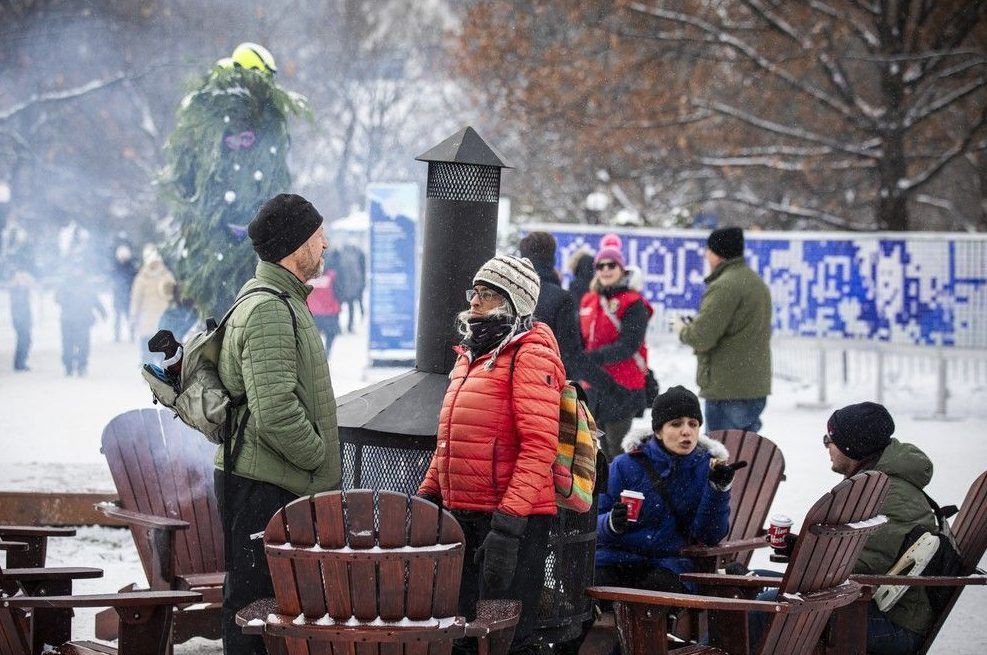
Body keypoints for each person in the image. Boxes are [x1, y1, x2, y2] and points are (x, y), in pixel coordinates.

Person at [417, 254, 564, 655]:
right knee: (463, 636)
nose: (475, 302)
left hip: (511, 522)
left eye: (488, 294)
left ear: (514, 302)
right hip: (464, 514)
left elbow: (539, 446)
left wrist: (508, 527)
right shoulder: (470, 355)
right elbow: (449, 441)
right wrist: (427, 496)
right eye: (475, 292)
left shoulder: (530, 354)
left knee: (507, 639)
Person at [216, 193, 342, 655]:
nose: (325, 244)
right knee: (255, 609)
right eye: (318, 235)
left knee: (266, 607)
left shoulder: (284, 300)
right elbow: (275, 411)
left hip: (271, 482)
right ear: (295, 245)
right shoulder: (270, 308)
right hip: (264, 486)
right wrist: (317, 456)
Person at [753, 402, 935, 655]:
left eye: (830, 439)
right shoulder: (878, 484)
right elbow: (858, 555)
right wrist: (801, 547)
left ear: (852, 447)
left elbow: (865, 565)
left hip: (890, 621)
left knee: (761, 608)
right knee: (755, 579)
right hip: (868, 603)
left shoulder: (890, 495)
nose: (827, 445)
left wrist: (809, 556)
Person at [595, 385, 737, 596]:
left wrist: (718, 490)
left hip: (668, 565)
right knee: (590, 588)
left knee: (656, 590)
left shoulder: (706, 469)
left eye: (693, 424)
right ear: (658, 432)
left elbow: (710, 535)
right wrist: (611, 523)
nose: (686, 431)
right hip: (617, 559)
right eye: (676, 424)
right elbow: (592, 523)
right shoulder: (625, 465)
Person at [674, 226, 771, 433]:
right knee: (746, 452)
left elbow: (702, 337)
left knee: (724, 455)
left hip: (728, 387)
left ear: (718, 253)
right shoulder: (755, 282)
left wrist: (682, 329)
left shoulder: (725, 286)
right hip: (753, 384)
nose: (706, 256)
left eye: (708, 251)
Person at [578, 236, 653, 460]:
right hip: (594, 385)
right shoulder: (589, 300)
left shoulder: (633, 302)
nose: (606, 269)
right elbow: (582, 337)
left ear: (622, 268)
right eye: (600, 265)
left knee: (617, 448)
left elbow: (629, 344)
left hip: (622, 385)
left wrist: (592, 358)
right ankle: (605, 493)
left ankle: (621, 493)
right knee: (598, 448)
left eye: (612, 265)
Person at [519, 231, 607, 387]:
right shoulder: (561, 299)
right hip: (547, 384)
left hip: (515, 383)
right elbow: (572, 355)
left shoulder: (511, 295)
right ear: (552, 259)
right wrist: (611, 386)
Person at [0, 213, 35, 371]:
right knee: (24, 335)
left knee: (25, 335)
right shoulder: (12, 237)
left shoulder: (11, 237)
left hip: (20, 308)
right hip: (20, 312)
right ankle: (19, 363)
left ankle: (20, 362)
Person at [130, 244, 176, 362]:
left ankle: (162, 376)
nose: (154, 265)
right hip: (147, 322)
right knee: (147, 354)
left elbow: (172, 295)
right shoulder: (141, 279)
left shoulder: (167, 276)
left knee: (164, 356)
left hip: (163, 322)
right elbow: (136, 300)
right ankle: (149, 374)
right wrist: (134, 316)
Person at [55, 273, 106, 376]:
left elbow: (95, 300)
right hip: (69, 321)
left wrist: (102, 311)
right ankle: (69, 367)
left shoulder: (86, 285)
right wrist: (67, 302)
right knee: (69, 345)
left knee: (82, 345)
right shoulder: (66, 285)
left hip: (82, 321)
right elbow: (58, 298)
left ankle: (81, 366)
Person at [307, 249, 341, 356]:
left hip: (313, 312)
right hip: (328, 311)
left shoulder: (308, 274)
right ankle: (327, 350)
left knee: (313, 335)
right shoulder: (332, 276)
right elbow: (338, 291)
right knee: (330, 333)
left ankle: (318, 352)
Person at [110, 235, 138, 342]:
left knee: (129, 317)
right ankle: (117, 336)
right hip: (118, 296)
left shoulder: (131, 267)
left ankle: (131, 335)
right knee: (117, 318)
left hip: (128, 297)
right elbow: (113, 280)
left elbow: (134, 281)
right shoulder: (115, 267)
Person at [334, 242, 366, 332]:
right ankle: (349, 326)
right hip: (351, 287)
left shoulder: (340, 254)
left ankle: (338, 326)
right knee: (351, 307)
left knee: (338, 307)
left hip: (342, 287)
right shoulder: (356, 255)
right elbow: (359, 273)